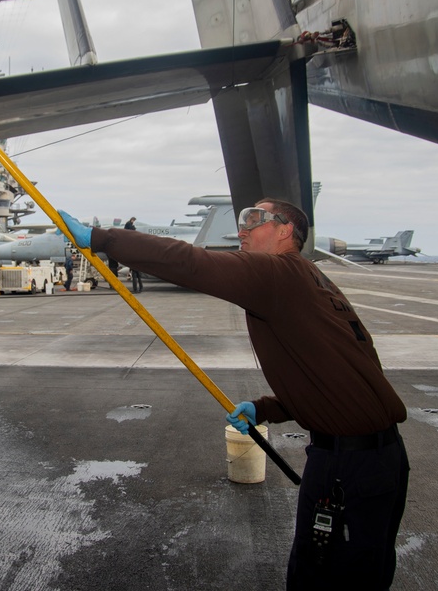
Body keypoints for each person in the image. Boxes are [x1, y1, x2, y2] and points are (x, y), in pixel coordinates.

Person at [59, 199, 408, 590]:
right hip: (375, 458)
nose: (242, 229)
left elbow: (191, 263)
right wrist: (266, 409)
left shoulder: (277, 273)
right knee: (360, 570)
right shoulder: (311, 279)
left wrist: (103, 238)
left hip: (349, 466)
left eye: (255, 220)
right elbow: (341, 375)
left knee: (326, 576)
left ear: (284, 230)